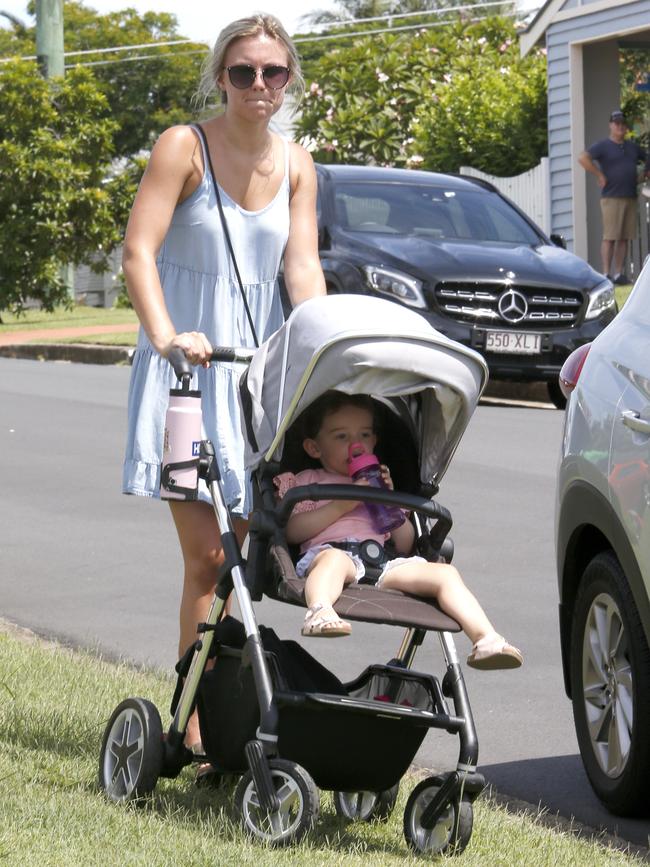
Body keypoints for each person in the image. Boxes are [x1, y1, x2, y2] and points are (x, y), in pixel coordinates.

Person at [121, 13, 326, 764]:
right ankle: (194, 722)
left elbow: (300, 271)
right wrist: (168, 333)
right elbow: (139, 251)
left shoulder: (298, 165)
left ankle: (221, 710)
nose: (259, 86)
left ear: (289, 78)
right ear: (221, 76)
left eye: (273, 72)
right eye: (244, 72)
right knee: (207, 559)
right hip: (185, 374)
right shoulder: (185, 147)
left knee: (237, 565)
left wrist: (324, 344)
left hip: (255, 380)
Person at [274, 392, 523, 671]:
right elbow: (293, 532)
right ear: (314, 448)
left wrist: (388, 505)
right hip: (334, 552)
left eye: (365, 435)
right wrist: (341, 506)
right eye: (341, 437)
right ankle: (319, 610)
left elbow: (404, 545)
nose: (356, 445)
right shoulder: (308, 480)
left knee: (445, 574)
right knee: (332, 562)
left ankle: (485, 638)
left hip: (383, 561)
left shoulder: (380, 481)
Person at [578, 109, 650, 284]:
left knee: (624, 237)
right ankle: (605, 274)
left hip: (630, 196)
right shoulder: (603, 146)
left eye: (622, 124)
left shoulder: (632, 147)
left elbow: (647, 157)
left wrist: (644, 174)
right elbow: (583, 158)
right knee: (610, 236)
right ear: (611, 125)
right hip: (611, 197)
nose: (620, 126)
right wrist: (599, 175)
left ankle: (618, 273)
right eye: (616, 123)